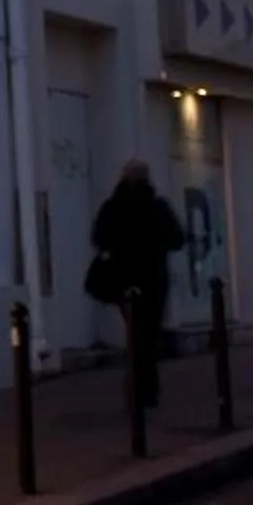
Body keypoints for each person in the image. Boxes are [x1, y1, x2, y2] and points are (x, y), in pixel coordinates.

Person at [92, 160, 187, 409]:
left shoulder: (113, 207)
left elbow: (99, 238)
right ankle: (146, 388)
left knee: (136, 332)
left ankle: (136, 388)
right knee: (148, 334)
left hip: (123, 279)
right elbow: (177, 239)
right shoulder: (157, 207)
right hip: (153, 278)